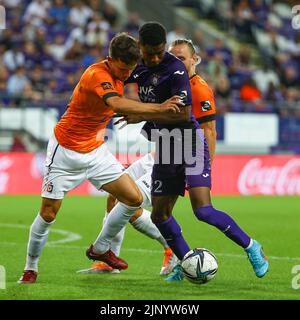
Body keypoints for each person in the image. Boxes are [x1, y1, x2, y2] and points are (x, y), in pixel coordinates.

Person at [86, 23, 269, 281]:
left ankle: (252, 247)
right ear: (141, 48)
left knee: (202, 210)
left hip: (189, 144)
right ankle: (186, 263)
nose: (155, 58)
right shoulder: (137, 67)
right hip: (165, 146)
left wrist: (140, 113)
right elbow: (115, 79)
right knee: (160, 215)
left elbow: (182, 112)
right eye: (150, 53)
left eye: (160, 52)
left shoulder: (175, 68)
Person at [17, 32, 182, 284]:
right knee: (49, 214)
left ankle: (103, 248)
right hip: (65, 151)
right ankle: (30, 269)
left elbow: (153, 72)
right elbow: (116, 103)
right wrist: (160, 108)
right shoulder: (97, 75)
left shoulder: (124, 70)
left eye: (131, 69)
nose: (127, 75)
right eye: (124, 68)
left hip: (95, 151)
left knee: (132, 198)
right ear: (111, 58)